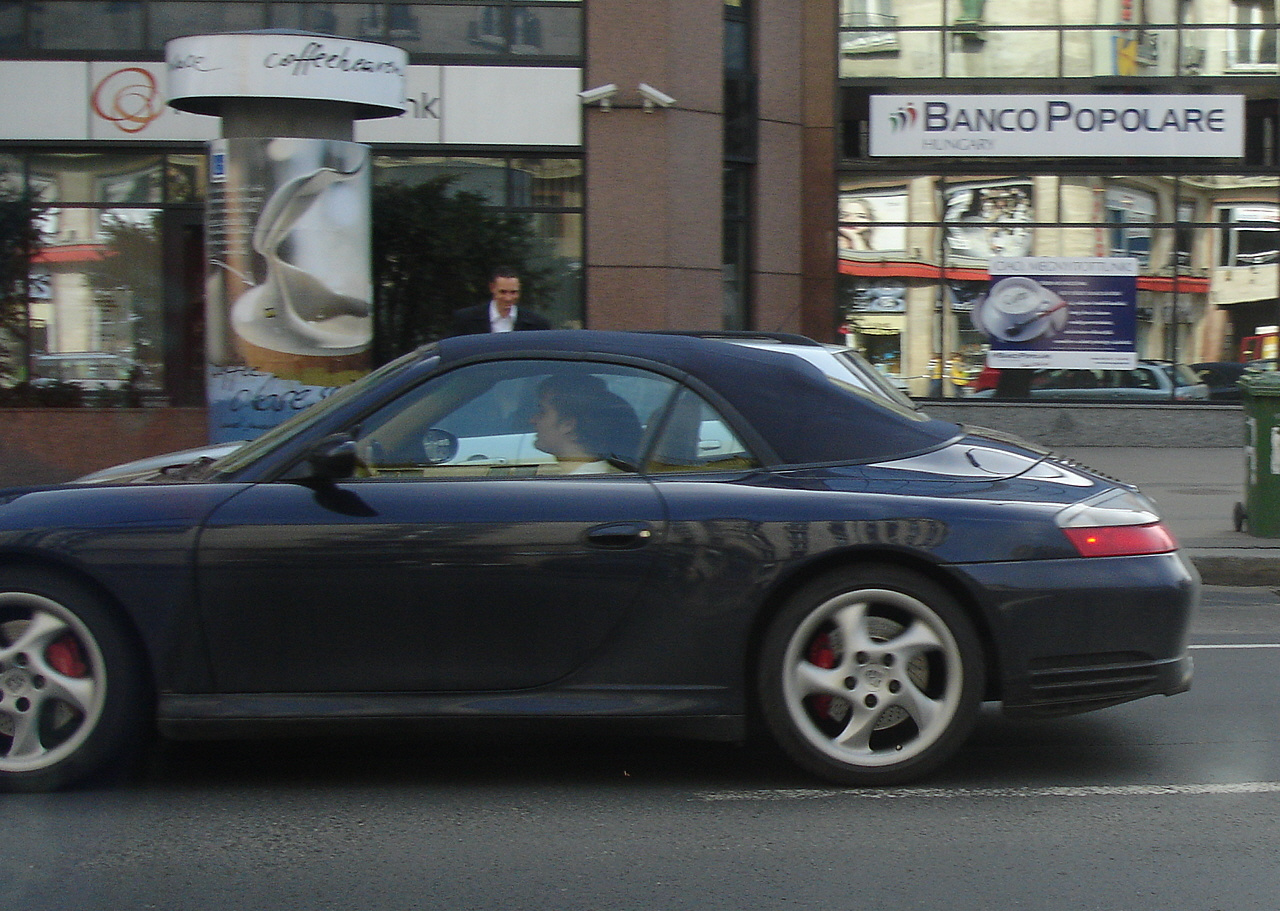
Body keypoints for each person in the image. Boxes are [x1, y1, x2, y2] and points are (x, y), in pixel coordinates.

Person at [530, 374, 643, 474]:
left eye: (542, 412)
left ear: (568, 425)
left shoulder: (577, 488)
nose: (532, 420)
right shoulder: (598, 478)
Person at [449, 266, 551, 335]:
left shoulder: (537, 325)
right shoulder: (466, 320)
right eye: (503, 292)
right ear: (492, 288)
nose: (508, 298)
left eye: (513, 292)